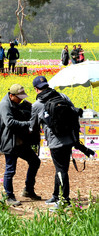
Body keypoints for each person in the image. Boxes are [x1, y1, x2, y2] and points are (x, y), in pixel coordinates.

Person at [31, 75, 84, 207]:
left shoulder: (37, 105)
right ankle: (56, 195)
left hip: (55, 142)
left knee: (61, 170)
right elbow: (74, 114)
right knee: (61, 168)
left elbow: (32, 126)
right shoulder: (62, 96)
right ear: (47, 85)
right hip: (69, 139)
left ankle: (64, 200)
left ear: (36, 89)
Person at [0, 84, 41, 206]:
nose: (21, 100)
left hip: (19, 141)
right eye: (19, 98)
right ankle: (9, 196)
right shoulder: (4, 105)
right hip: (9, 141)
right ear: (11, 95)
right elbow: (9, 123)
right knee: (10, 169)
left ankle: (28, 190)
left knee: (35, 161)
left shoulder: (16, 103)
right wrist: (29, 123)